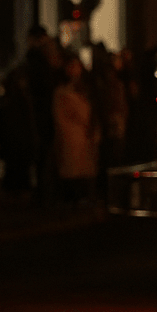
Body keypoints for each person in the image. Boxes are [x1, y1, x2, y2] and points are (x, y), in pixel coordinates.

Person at [53, 53, 99, 205]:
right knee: (72, 170)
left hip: (84, 136)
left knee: (82, 169)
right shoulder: (62, 93)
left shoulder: (84, 89)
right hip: (71, 137)